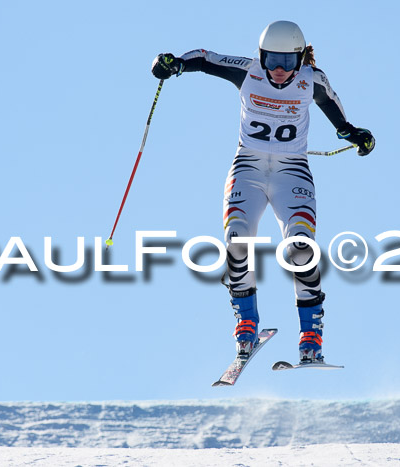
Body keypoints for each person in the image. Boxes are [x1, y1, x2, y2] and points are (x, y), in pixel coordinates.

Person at [151, 20, 375, 363]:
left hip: (292, 172)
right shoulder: (248, 72)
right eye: (271, 60)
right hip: (248, 169)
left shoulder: (311, 80)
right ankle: (246, 323)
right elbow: (207, 58)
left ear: (301, 59)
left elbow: (337, 113)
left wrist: (353, 134)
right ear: (261, 55)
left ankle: (311, 333)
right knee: (236, 239)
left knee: (301, 247)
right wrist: (176, 63)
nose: (279, 70)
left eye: (287, 62)